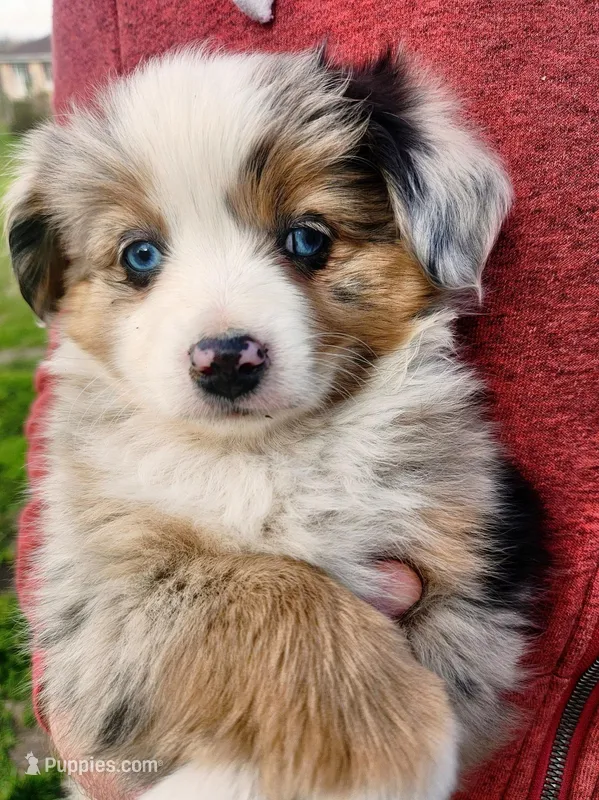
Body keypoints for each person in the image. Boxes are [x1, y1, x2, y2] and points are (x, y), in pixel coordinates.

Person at [18, 0, 599, 797]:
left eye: (307, 241)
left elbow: (480, 650)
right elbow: (93, 668)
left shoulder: (434, 459)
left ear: (426, 218)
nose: (221, 340)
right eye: (141, 257)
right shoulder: (110, 465)